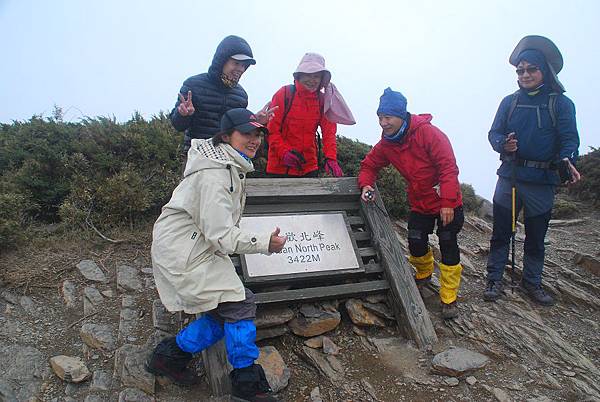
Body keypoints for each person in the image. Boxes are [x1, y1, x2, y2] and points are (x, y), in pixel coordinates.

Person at [147, 108, 286, 402]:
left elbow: (218, 229)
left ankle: (168, 356)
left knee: (225, 309)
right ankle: (246, 383)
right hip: (184, 251)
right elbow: (221, 234)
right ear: (226, 135)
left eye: (258, 133)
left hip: (194, 246)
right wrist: (264, 241)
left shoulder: (229, 166)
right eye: (247, 133)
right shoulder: (215, 175)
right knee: (238, 304)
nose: (255, 139)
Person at [483, 35, 580, 306]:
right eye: (520, 70)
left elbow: (570, 138)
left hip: (542, 181)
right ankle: (494, 279)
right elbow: (494, 133)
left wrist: (567, 158)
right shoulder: (509, 101)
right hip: (510, 177)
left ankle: (532, 282)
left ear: (543, 71)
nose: (524, 75)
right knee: (501, 232)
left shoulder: (561, 103)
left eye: (530, 69)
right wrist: (505, 143)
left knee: (536, 237)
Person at [358, 88, 464, 319]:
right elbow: (369, 165)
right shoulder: (387, 144)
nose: (383, 123)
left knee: (448, 243)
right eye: (380, 117)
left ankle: (449, 297)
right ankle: (424, 274)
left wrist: (447, 202)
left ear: (401, 115)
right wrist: (366, 185)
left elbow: (448, 168)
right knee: (415, 241)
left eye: (388, 117)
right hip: (420, 202)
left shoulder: (428, 134)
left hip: (448, 201)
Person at [170, 35, 275, 157]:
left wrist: (253, 121)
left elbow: (237, 131)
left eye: (244, 66)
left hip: (228, 158)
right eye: (236, 63)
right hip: (197, 157)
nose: (240, 69)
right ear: (221, 61)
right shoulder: (193, 85)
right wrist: (183, 115)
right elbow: (178, 125)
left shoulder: (241, 95)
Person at [265, 52, 354, 177]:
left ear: (322, 79)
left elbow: (329, 132)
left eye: (316, 76)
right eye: (308, 75)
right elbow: (272, 131)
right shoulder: (284, 94)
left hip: (309, 167)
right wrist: (284, 152)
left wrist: (331, 159)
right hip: (279, 167)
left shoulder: (322, 100)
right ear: (299, 75)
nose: (312, 80)